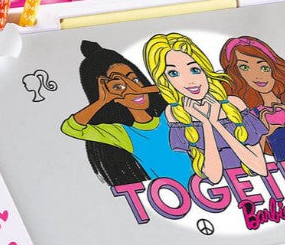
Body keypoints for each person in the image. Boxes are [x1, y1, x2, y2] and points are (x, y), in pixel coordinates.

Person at [60, 40, 194, 186]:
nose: (132, 89)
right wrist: (101, 101)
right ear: (111, 97)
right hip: (174, 195)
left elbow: (185, 91)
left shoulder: (170, 114)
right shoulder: (124, 134)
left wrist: (144, 89)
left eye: (134, 79)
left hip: (207, 185)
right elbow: (71, 128)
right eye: (118, 87)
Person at [144, 33, 268, 184]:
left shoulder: (234, 104)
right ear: (165, 81)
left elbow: (260, 168)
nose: (190, 81)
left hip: (255, 184)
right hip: (218, 191)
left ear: (205, 70)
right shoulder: (175, 113)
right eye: (174, 73)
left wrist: (216, 123)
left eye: (194, 70)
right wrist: (206, 124)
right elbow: (214, 176)